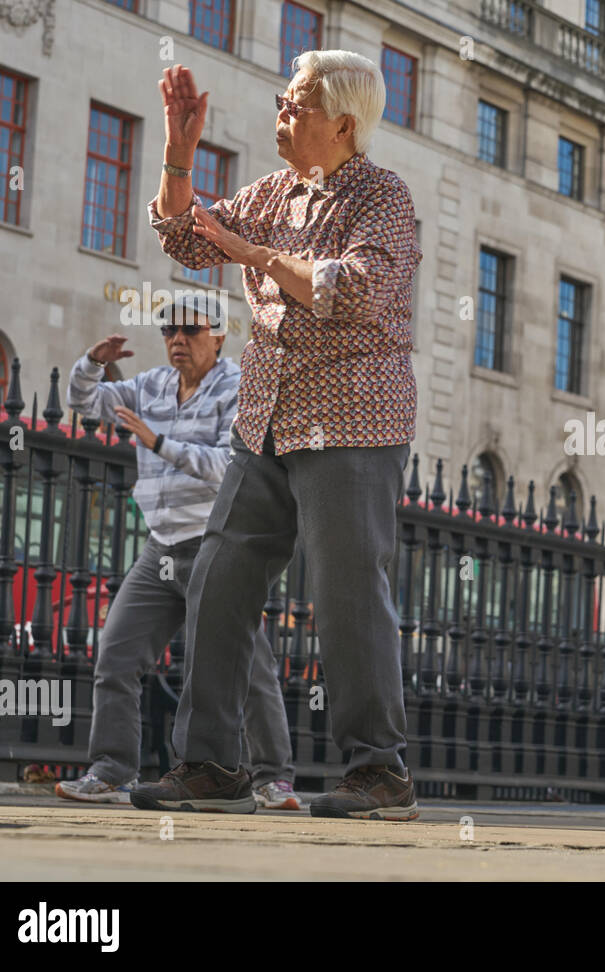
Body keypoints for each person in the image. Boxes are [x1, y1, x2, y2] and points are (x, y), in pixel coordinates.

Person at [129, 53, 421, 819]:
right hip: (265, 419)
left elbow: (351, 289)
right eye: (283, 100)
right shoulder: (274, 191)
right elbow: (186, 236)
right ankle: (213, 764)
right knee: (218, 577)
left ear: (345, 125)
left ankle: (377, 773)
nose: (281, 113)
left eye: (297, 104)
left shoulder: (382, 196)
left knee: (347, 593)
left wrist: (254, 255)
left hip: (353, 419)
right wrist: (179, 155)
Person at [59, 294, 298, 810]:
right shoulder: (150, 386)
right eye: (169, 331)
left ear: (218, 335)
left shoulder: (238, 387)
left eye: (190, 332)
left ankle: (273, 778)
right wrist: (93, 363)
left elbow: (230, 464)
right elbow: (86, 403)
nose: (177, 340)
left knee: (246, 668)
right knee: (117, 655)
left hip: (218, 544)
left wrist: (158, 442)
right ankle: (111, 771)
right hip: (160, 547)